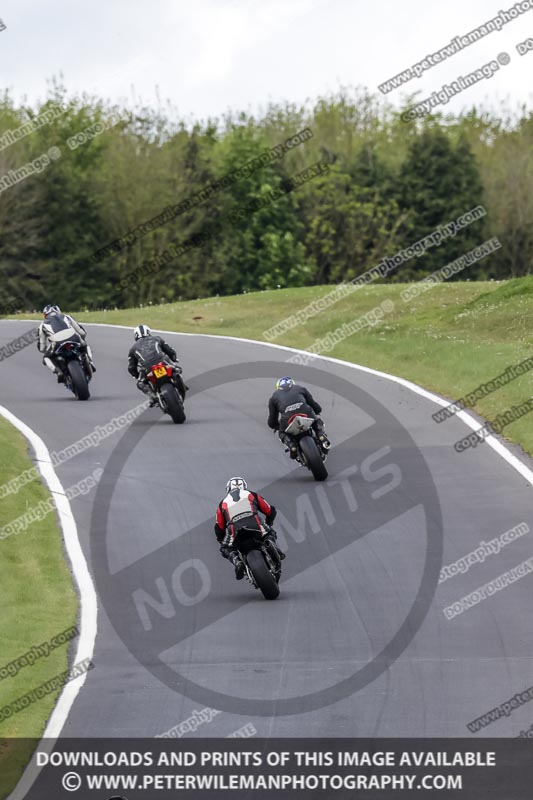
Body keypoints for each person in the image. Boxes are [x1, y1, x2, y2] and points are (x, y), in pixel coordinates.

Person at [214, 477, 285, 580]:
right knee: (269, 532)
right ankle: (270, 544)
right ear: (244, 487)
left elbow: (218, 527)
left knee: (225, 548)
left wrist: (221, 540)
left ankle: (237, 562)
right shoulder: (251, 494)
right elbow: (270, 510)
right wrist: (269, 522)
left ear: (228, 489)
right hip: (255, 524)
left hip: (235, 530)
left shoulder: (223, 504)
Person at [268, 376, 330, 458]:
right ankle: (320, 434)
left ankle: (292, 445)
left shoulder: (273, 398)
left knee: (282, 432)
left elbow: (272, 422)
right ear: (292, 384)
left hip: (288, 420)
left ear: (278, 388)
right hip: (306, 413)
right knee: (316, 420)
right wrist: (317, 411)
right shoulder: (300, 388)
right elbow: (315, 406)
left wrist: (278, 427)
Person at [127, 324, 187, 406]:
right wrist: (174, 359)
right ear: (148, 332)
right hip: (163, 361)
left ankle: (152, 396)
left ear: (136, 336)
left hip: (147, 367)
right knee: (176, 369)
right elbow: (170, 351)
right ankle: (181, 384)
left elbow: (131, 367)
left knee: (141, 383)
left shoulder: (133, 348)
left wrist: (136, 375)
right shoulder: (157, 338)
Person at [38, 304, 95, 382]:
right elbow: (82, 332)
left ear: (45, 315)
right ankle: (90, 362)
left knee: (46, 357)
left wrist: (46, 351)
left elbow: (41, 347)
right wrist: (82, 340)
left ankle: (57, 371)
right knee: (85, 345)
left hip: (57, 343)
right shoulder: (67, 317)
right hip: (73, 338)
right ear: (59, 311)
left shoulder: (42, 325)